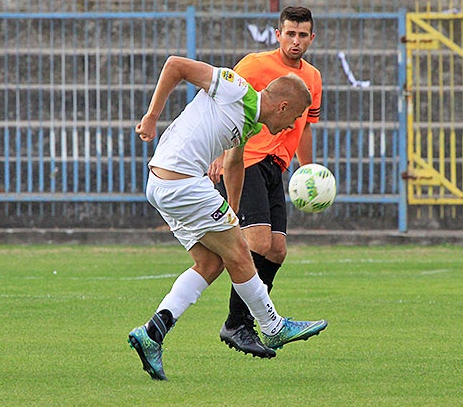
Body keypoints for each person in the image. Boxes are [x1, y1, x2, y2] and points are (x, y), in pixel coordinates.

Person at [129, 55, 328, 380]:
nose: (293, 126)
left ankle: (153, 333)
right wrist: (151, 117)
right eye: (294, 117)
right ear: (282, 107)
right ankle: (273, 326)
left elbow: (234, 164)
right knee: (239, 253)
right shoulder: (236, 89)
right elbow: (175, 65)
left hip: (163, 184)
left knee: (211, 262)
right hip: (181, 180)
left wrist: (232, 211)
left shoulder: (250, 121)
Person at [206, 5, 322, 358]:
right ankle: (238, 323)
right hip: (247, 160)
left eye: (302, 35)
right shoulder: (255, 66)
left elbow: (304, 126)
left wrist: (309, 170)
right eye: (290, 33)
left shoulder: (313, 78)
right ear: (278, 34)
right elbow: (221, 106)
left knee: (277, 250)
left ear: (312, 38)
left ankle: (257, 323)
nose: (296, 41)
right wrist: (218, 153)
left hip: (278, 167)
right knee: (255, 242)